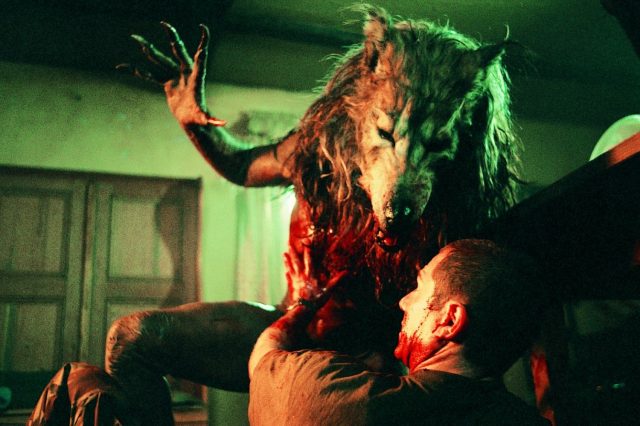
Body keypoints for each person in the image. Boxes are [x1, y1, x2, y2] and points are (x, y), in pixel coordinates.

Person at [248, 239, 550, 425]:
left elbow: (262, 361)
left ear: (449, 321)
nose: (404, 301)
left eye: (419, 287)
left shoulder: (337, 398)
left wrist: (303, 303)